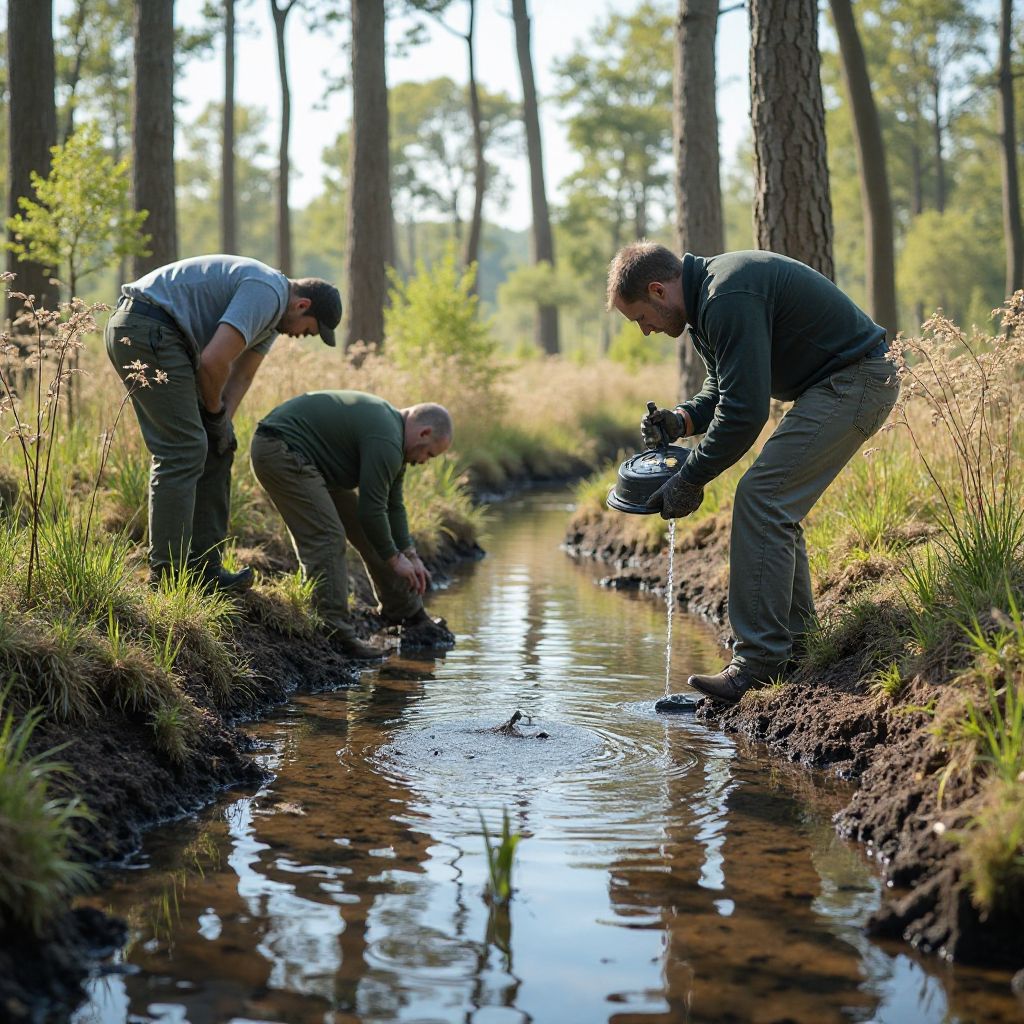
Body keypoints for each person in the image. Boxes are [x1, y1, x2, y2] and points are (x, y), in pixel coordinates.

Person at [607, 243, 899, 705]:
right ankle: (798, 647)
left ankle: (758, 664)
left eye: (640, 318)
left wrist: (689, 479)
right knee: (772, 503)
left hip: (858, 380)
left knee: (762, 497)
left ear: (658, 290)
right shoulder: (709, 299)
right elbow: (723, 388)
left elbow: (744, 413)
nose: (644, 330)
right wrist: (679, 421)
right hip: (837, 384)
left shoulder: (726, 296)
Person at [105, 255, 342, 591]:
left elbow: (240, 376)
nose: (302, 336)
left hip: (154, 332)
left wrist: (221, 427)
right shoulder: (267, 292)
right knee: (184, 450)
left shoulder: (272, 320)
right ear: (303, 305)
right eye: (310, 331)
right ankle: (168, 578)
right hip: (147, 327)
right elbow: (213, 361)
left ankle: (205, 570)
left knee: (217, 446)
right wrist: (214, 413)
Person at [250, 390, 453, 660]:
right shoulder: (387, 439)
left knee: (367, 533)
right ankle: (336, 634)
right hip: (281, 449)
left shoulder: (395, 439)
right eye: (429, 454)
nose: (423, 462)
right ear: (424, 433)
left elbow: (393, 505)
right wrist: (395, 559)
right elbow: (372, 510)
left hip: (310, 460)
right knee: (327, 537)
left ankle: (407, 612)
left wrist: (410, 555)